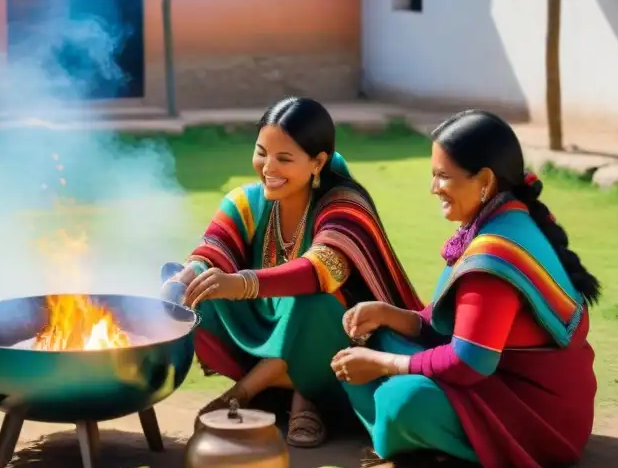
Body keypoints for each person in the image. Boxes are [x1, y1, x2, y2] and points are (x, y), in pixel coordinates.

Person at [332, 109, 599, 468]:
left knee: (400, 401)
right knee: (378, 337)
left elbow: (469, 363)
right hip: (507, 383)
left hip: (537, 420)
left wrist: (382, 363)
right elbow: (452, 325)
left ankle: (423, 440)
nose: (433, 188)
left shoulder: (494, 254)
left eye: (443, 176)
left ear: (485, 181)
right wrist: (388, 314)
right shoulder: (501, 218)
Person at [161, 97, 422, 448]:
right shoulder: (246, 201)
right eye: (261, 152)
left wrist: (241, 284)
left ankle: (269, 395)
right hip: (263, 331)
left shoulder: (345, 203)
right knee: (200, 293)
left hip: (333, 336)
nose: (268, 167)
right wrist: (187, 277)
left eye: (284, 158)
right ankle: (285, 386)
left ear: (317, 162)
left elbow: (321, 271)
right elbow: (213, 249)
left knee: (309, 302)